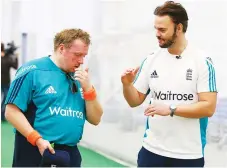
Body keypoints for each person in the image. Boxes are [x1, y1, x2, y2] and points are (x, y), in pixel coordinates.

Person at [121, 1, 217, 167]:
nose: (157, 34)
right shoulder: (151, 59)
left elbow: (208, 107)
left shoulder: (201, 61)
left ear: (179, 28)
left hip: (188, 155)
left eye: (162, 30)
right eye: (156, 29)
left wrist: (171, 110)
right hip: (151, 151)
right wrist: (127, 85)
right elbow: (134, 101)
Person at [4, 28, 103, 167]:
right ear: (61, 49)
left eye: (84, 56)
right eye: (77, 54)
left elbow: (95, 119)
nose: (81, 61)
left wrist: (88, 89)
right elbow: (11, 111)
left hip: (70, 153)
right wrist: (37, 139)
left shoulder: (79, 77)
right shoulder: (33, 70)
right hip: (36, 149)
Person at [1, 42, 18, 121]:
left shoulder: (5, 58)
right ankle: (2, 115)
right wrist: (16, 57)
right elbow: (15, 66)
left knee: (6, 98)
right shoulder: (6, 58)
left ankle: (2, 115)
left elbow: (15, 66)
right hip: (5, 82)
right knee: (6, 98)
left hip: (5, 82)